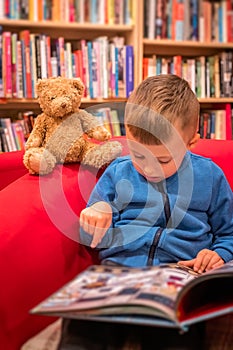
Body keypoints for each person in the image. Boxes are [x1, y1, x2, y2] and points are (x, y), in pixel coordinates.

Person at [58, 74, 233, 349]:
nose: (149, 168)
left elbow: (229, 232)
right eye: (139, 155)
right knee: (82, 330)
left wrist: (219, 254)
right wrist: (96, 213)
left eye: (163, 159)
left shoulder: (210, 176)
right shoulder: (118, 172)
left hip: (177, 278)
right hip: (118, 275)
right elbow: (91, 236)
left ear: (191, 142)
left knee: (177, 337)